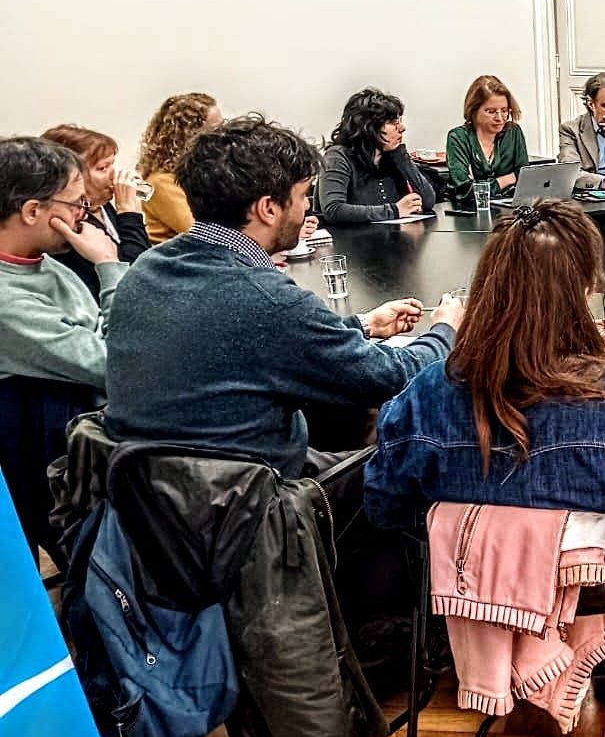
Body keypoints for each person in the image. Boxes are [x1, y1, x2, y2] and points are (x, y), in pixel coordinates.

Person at [105, 115, 463, 479]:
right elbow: (391, 376)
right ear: (268, 208)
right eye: (304, 195)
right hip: (254, 504)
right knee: (417, 441)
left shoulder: (146, 269)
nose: (308, 207)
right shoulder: (266, 297)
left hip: (157, 500)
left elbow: (253, 338)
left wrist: (361, 325)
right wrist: (445, 332)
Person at [366, 199, 605, 522]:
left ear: (489, 286)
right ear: (587, 289)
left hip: (460, 585)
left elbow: (382, 506)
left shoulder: (425, 396)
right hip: (601, 586)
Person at [0, 136, 126, 556]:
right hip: (60, 476)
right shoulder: (7, 300)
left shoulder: (46, 263)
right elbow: (118, 363)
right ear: (33, 211)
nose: (83, 216)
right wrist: (108, 266)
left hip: (91, 446)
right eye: (76, 205)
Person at [44, 124, 151, 300]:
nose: (114, 175)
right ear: (72, 177)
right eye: (102, 168)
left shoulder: (101, 204)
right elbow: (137, 276)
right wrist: (128, 212)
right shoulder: (71, 223)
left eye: (112, 165)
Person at [320, 87, 435, 224]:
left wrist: (401, 155)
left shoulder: (392, 155)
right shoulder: (338, 156)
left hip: (391, 239)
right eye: (393, 122)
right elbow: (334, 210)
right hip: (352, 242)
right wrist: (394, 210)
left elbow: (428, 202)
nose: (402, 128)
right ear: (369, 127)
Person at [138, 92, 222, 244]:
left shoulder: (196, 175)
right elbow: (202, 233)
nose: (224, 134)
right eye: (216, 128)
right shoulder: (160, 183)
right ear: (191, 136)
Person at [445, 75, 530, 209]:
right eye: (491, 112)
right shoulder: (458, 137)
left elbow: (525, 179)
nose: (500, 118)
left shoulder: (513, 132)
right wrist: (507, 179)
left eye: (504, 111)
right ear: (474, 111)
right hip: (469, 212)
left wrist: (481, 185)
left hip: (508, 211)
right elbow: (465, 191)